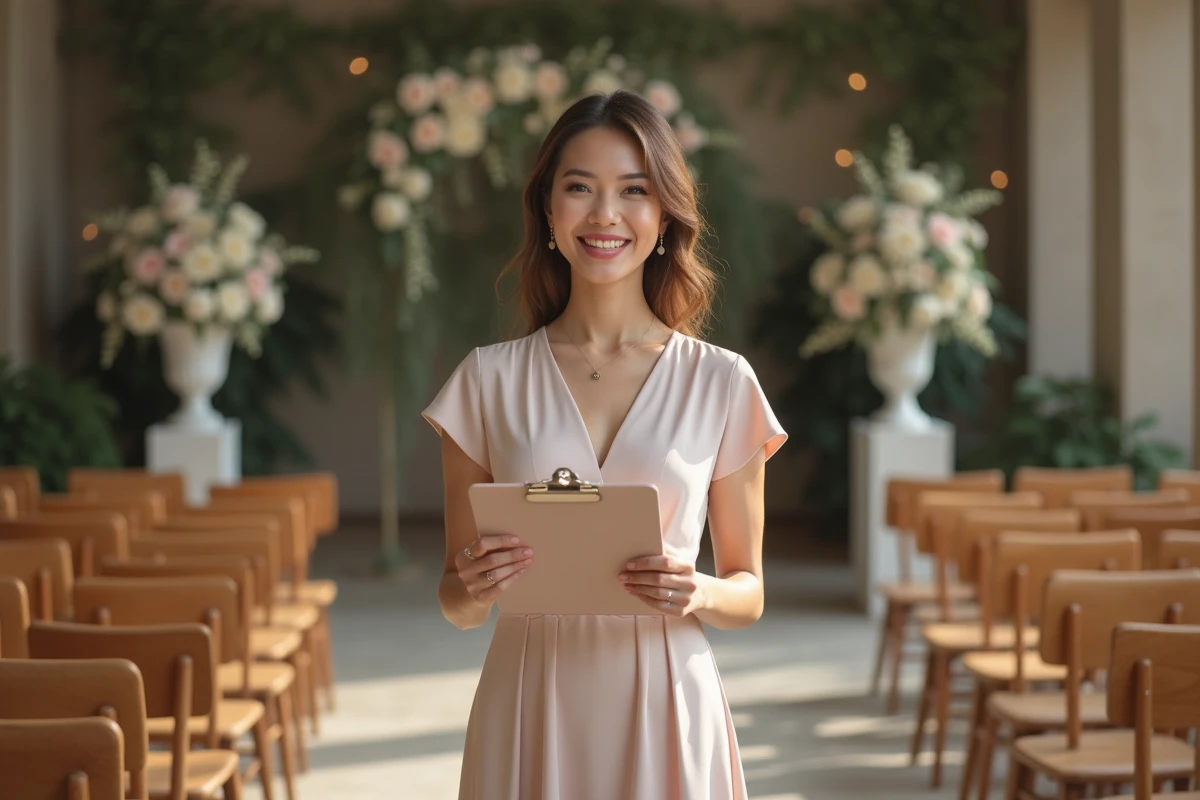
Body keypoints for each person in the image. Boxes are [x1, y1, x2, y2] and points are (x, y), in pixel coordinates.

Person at [421, 89, 787, 800]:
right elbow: (456, 604)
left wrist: (698, 588)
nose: (605, 215)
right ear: (549, 212)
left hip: (668, 700)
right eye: (579, 188)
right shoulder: (487, 380)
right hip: (530, 698)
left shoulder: (721, 380)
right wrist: (473, 584)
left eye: (633, 191)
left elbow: (750, 592)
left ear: (664, 216)